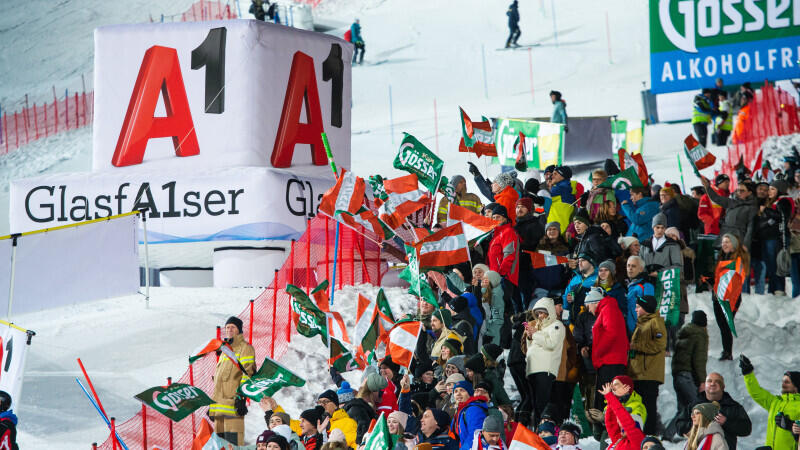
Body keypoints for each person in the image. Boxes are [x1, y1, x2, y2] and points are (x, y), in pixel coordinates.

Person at [663, 311, 709, 443]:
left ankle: (668, 435)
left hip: (678, 376)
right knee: (698, 406)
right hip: (687, 376)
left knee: (684, 409)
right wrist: (701, 381)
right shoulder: (700, 335)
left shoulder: (685, 333)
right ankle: (702, 437)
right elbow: (699, 360)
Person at [210, 316, 256, 445]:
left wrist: (241, 398)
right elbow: (219, 382)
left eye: (233, 327)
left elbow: (248, 374)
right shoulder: (225, 350)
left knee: (233, 445)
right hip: (219, 409)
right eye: (227, 327)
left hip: (233, 408)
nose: (229, 329)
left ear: (239, 330)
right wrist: (212, 407)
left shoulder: (245, 348)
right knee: (220, 446)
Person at [740, 355, 800, 450]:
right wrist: (748, 373)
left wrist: (789, 425)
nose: (783, 384)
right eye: (783, 381)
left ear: (796, 386)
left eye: (787, 382)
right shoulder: (775, 402)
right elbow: (757, 392)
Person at [628, 295, 667, 435]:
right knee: (641, 407)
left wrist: (636, 346)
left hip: (648, 374)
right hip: (640, 374)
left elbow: (659, 344)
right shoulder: (642, 323)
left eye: (638, 307)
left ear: (646, 308)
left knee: (648, 407)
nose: (636, 309)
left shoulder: (656, 322)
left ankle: (650, 435)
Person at [524, 297, 565, 426]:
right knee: (535, 404)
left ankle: (544, 430)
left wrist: (535, 334)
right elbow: (531, 349)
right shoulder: (538, 328)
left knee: (542, 403)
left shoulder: (557, 325)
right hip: (532, 369)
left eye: (542, 313)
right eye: (538, 314)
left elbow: (551, 343)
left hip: (545, 369)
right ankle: (537, 430)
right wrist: (530, 337)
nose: (540, 316)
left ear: (550, 312)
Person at [588, 287, 629, 409]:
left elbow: (611, 333)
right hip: (610, 361)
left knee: (606, 399)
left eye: (588, 305)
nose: (588, 309)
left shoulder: (608, 309)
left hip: (610, 362)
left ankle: (607, 426)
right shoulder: (608, 309)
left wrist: (597, 352)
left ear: (595, 302)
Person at [687, 373, 751, 450]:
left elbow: (746, 429)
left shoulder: (733, 406)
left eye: (717, 381)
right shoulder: (694, 405)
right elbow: (680, 425)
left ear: (723, 386)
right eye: (709, 381)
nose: (713, 383)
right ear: (705, 385)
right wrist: (699, 423)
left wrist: (726, 423)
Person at [712, 234, 749, 360]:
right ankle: (726, 351)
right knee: (722, 325)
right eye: (723, 242)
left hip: (730, 297)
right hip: (717, 297)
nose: (724, 244)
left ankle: (727, 352)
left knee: (726, 324)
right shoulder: (721, 257)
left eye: (727, 242)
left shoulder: (739, 259)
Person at [700, 176, 758, 251]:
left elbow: (750, 229)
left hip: (738, 240)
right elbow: (716, 198)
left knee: (735, 262)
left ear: (749, 193)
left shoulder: (752, 208)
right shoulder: (731, 202)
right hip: (724, 238)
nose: (739, 192)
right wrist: (707, 187)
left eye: (742, 191)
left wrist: (745, 245)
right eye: (737, 190)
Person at [757, 178, 793, 295]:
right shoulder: (774, 201)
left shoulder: (783, 201)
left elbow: (782, 216)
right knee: (771, 266)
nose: (769, 192)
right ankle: (774, 290)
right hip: (769, 238)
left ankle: (778, 290)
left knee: (776, 265)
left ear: (780, 190)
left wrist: (766, 210)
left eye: (772, 189)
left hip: (776, 238)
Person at [487, 204, 522, 312]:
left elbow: (509, 256)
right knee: (500, 310)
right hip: (495, 277)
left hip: (504, 277)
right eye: (493, 217)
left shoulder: (508, 232)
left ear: (505, 218)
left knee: (504, 310)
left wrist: (501, 274)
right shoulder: (496, 234)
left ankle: (517, 326)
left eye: (498, 217)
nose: (495, 219)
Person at [599, 381, 646, 450]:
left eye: (617, 384)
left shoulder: (637, 439)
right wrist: (614, 397)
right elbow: (611, 422)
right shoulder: (619, 439)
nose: (617, 420)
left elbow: (625, 419)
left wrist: (611, 397)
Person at [639, 213, 683, 278]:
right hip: (647, 281)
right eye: (657, 227)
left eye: (663, 228)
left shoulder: (673, 245)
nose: (660, 230)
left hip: (665, 282)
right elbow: (640, 263)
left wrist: (660, 273)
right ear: (653, 227)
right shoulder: (644, 244)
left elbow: (678, 266)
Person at [562, 254, 598, 325]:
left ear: (591, 262)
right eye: (579, 261)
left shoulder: (598, 279)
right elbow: (565, 300)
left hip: (591, 323)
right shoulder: (575, 279)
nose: (579, 263)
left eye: (583, 260)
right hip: (574, 323)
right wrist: (565, 319)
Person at [452, 381, 488, 450]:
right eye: (455, 391)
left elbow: (475, 436)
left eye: (462, 390)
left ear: (469, 393)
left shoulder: (473, 410)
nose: (458, 394)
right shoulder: (460, 410)